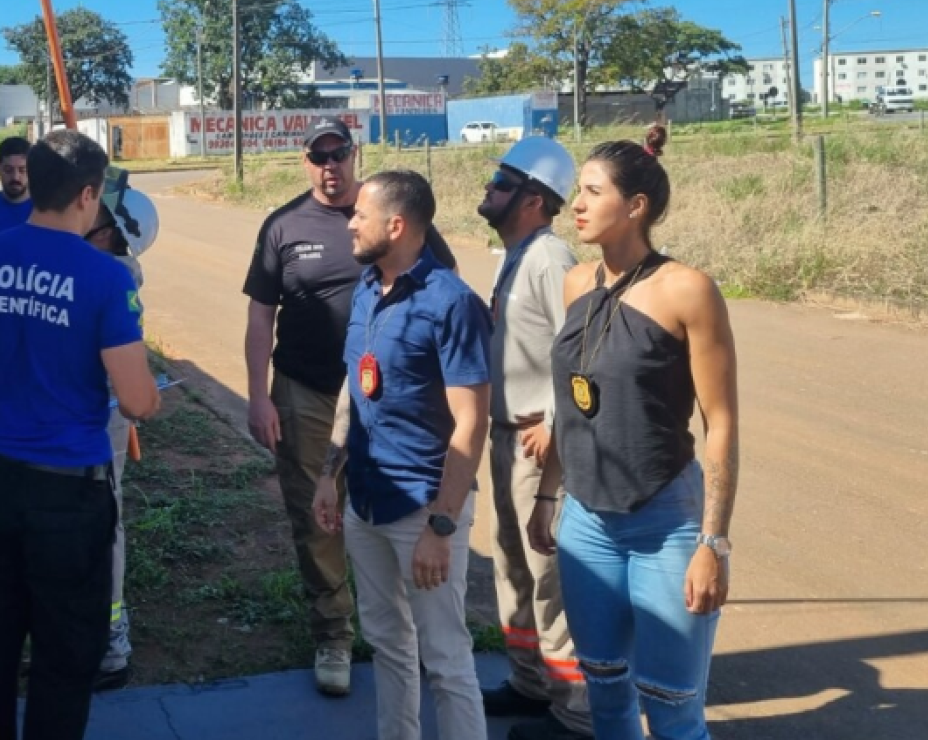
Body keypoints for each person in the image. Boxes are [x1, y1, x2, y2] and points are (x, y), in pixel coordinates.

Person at [0, 130, 162, 740]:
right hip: (71, 499)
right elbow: (136, 400)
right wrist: (148, 393)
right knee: (65, 660)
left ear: (33, 184)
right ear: (88, 194)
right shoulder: (106, 279)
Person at [528, 140, 739, 740]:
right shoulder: (575, 283)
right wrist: (550, 497)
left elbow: (720, 423)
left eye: (594, 192)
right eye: (579, 191)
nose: (577, 204)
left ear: (637, 205)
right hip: (586, 524)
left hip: (665, 523)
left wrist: (713, 542)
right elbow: (574, 405)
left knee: (672, 706)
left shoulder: (686, 291)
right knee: (605, 692)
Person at [243, 117, 458, 697]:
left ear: (354, 154)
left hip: (389, 402)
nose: (330, 165)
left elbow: (441, 293)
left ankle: (401, 632)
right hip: (308, 392)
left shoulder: (394, 217)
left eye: (338, 153)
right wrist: (259, 394)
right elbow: (261, 316)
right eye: (319, 156)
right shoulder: (284, 227)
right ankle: (334, 633)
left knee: (393, 511)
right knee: (319, 517)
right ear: (304, 162)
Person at [311, 169, 492, 740]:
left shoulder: (452, 304)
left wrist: (441, 523)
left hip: (422, 508)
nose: (351, 223)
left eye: (360, 215)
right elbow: (353, 386)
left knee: (444, 656)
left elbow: (472, 420)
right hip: (366, 500)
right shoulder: (367, 288)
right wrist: (329, 471)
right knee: (388, 644)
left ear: (397, 224)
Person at [476, 139, 593, 740]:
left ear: (533, 200)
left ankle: (574, 713)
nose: (489, 188)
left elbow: (577, 353)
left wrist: (551, 419)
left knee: (548, 577)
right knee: (512, 567)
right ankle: (528, 682)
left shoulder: (550, 259)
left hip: (534, 439)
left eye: (501, 180)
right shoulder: (513, 255)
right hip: (503, 436)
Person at [82, 177, 161, 692]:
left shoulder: (112, 277)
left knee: (102, 523)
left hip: (100, 418)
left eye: (95, 213)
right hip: (79, 419)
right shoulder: (95, 266)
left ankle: (111, 640)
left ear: (112, 233)